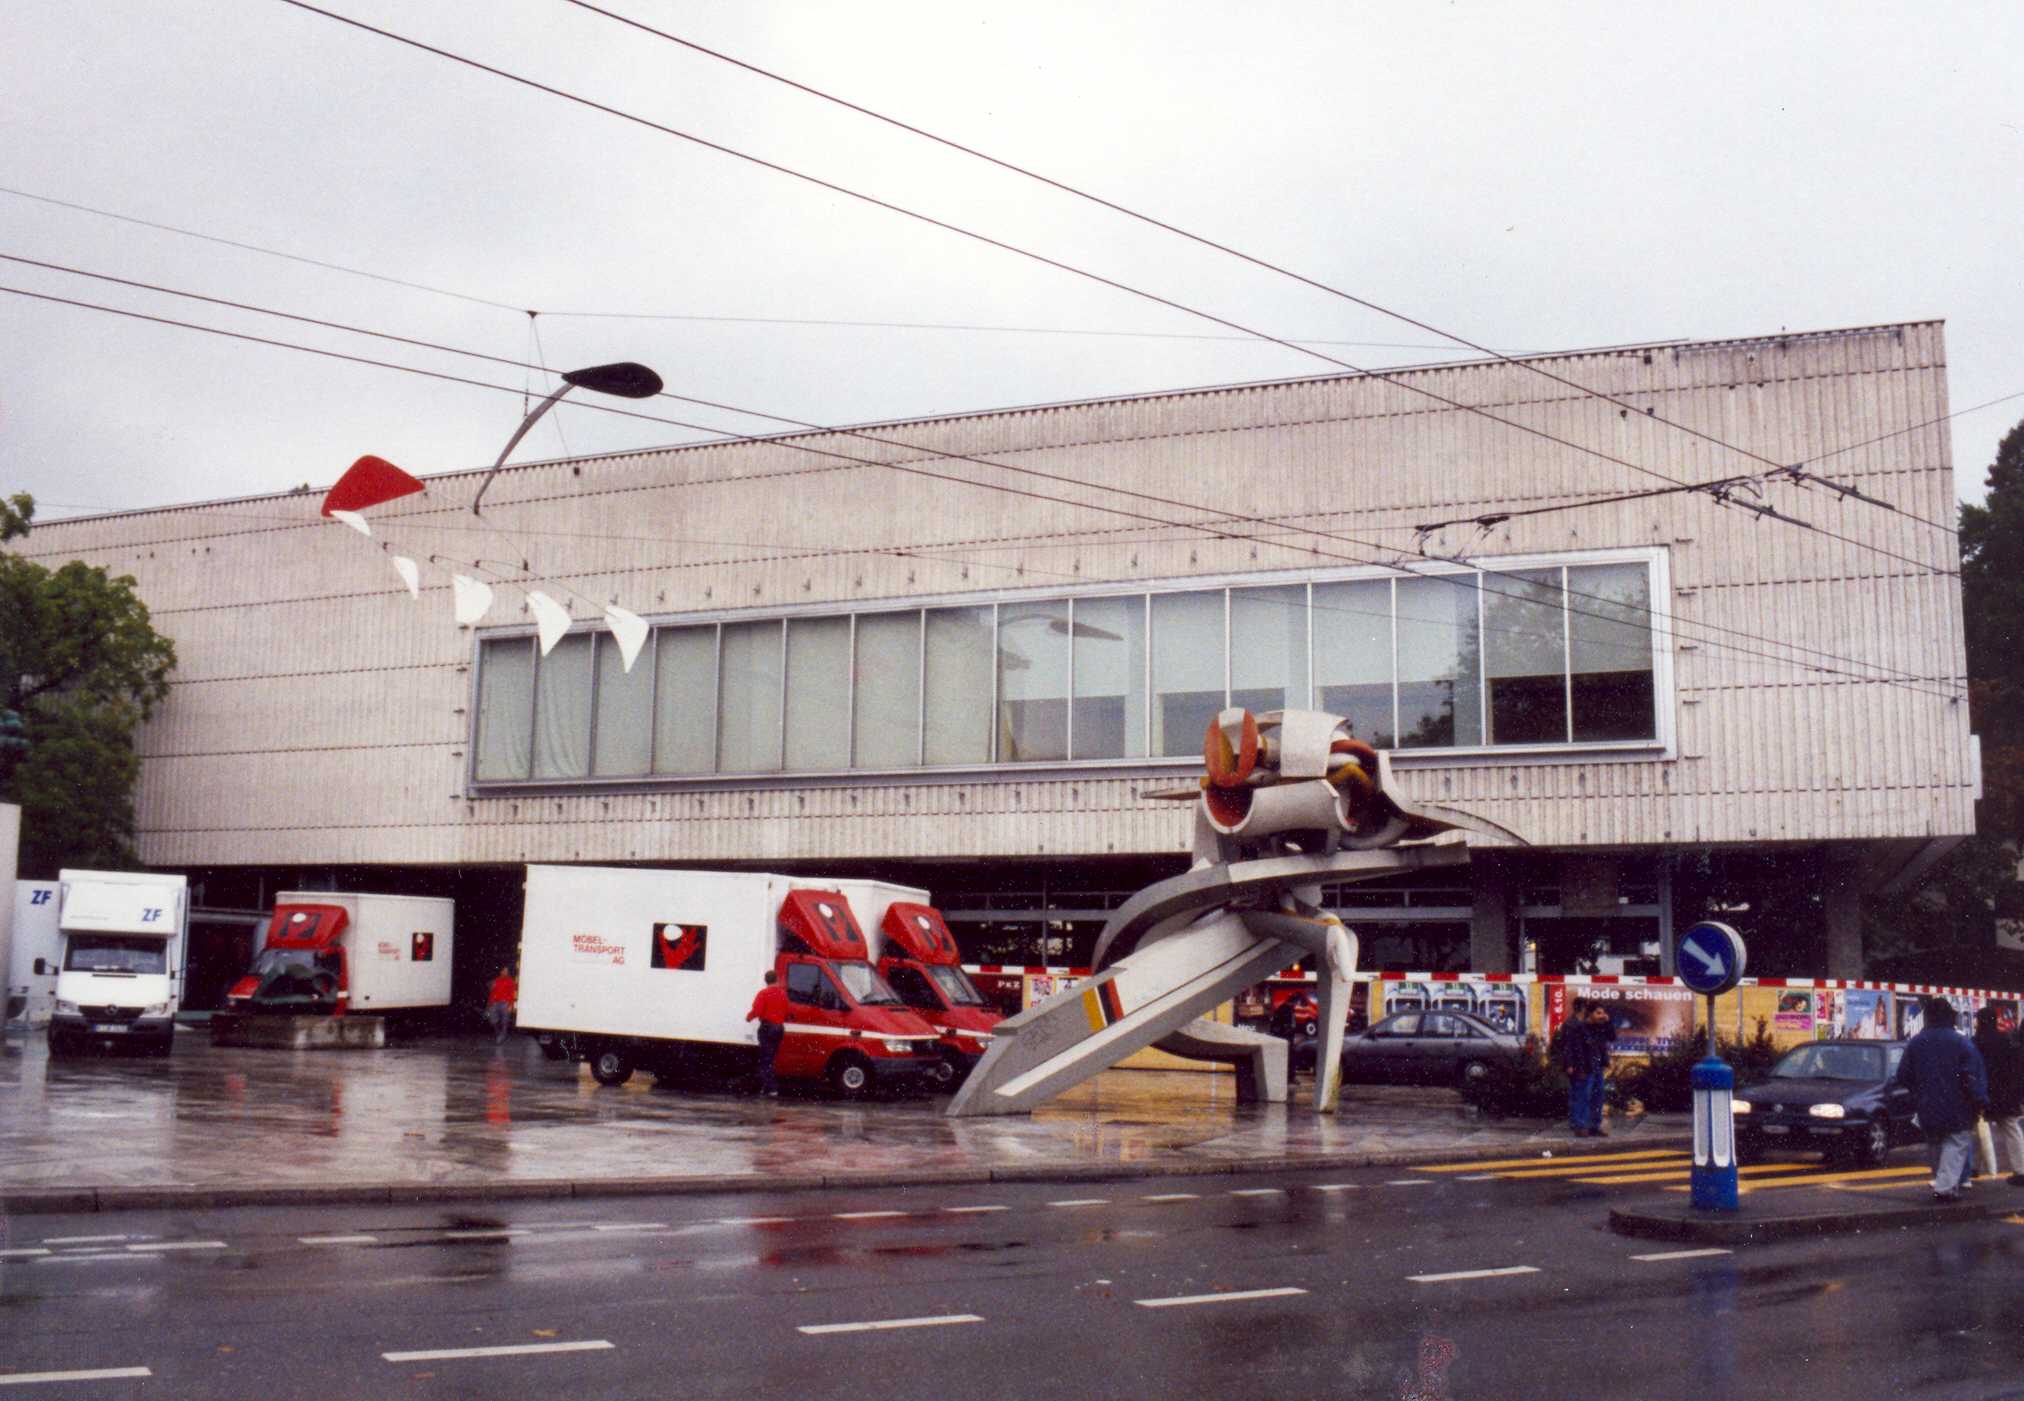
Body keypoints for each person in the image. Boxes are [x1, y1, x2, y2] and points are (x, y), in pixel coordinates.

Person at [1894, 997, 1989, 1201]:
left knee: (1935, 1144)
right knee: (1956, 1143)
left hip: (1927, 1104)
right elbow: (1971, 1076)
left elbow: (1903, 1075)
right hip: (1958, 1105)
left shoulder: (1916, 1042)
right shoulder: (1962, 1043)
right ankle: (1945, 1188)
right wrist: (1980, 1100)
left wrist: (1918, 1092)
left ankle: (1943, 1182)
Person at [1971, 1004, 2024, 1186]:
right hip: (2005, 1093)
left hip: (1982, 1091)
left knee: (1978, 1129)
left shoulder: (1975, 1042)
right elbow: (2016, 1068)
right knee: (2011, 1128)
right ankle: (2020, 1169)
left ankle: (1973, 1167)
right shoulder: (2006, 1040)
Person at [1563, 999, 1602, 1137]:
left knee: (1588, 1095)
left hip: (1590, 1065)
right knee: (1580, 1095)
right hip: (1581, 1066)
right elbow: (1568, 1046)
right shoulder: (1572, 1024)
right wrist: (1570, 1064)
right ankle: (1578, 1124)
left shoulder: (1585, 1024)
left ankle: (1586, 1124)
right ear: (1583, 1008)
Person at [745, 970, 788, 1096]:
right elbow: (786, 1010)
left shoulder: (763, 993)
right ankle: (766, 1087)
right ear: (776, 979)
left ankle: (771, 1088)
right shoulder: (783, 994)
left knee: (765, 1060)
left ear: (766, 981)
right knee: (770, 1059)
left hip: (767, 1028)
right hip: (779, 1029)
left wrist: (748, 1018)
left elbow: (757, 1010)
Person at [485, 966, 517, 1044]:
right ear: (501, 971)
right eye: (504, 971)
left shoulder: (511, 981)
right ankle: (498, 1033)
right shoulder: (496, 980)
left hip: (505, 1003)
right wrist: (489, 1004)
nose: (505, 972)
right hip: (495, 1002)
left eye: (507, 971)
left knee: (504, 1021)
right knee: (493, 1020)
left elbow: (512, 994)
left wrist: (511, 1005)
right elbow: (492, 993)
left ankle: (503, 1035)